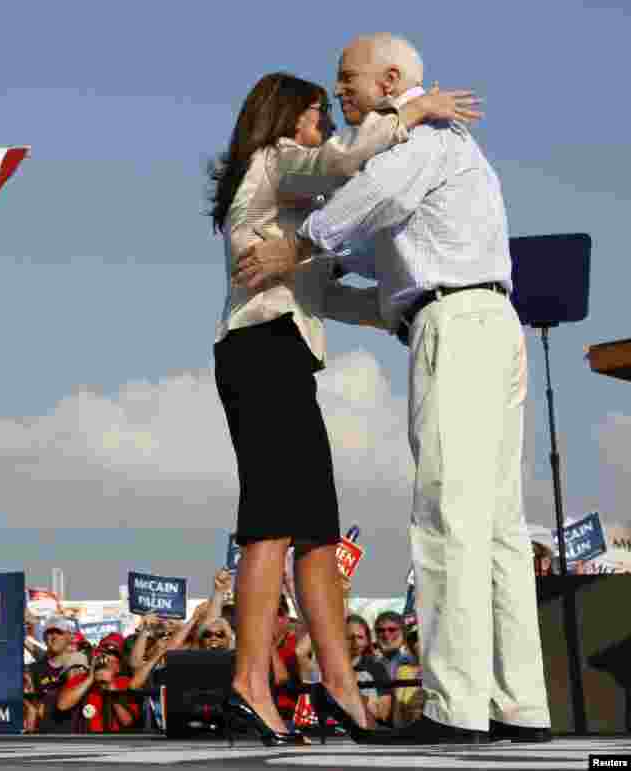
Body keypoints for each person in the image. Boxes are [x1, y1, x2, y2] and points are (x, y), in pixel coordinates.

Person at [235, 33, 551, 746]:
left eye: (347, 79)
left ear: (392, 79)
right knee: (497, 523)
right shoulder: (442, 144)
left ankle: (453, 705)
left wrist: (298, 244)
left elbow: (369, 197)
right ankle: (517, 703)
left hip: (456, 325)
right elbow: (386, 287)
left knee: (447, 514)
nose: (339, 90)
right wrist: (319, 282)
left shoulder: (422, 140)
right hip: (486, 319)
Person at [210, 70, 477, 747]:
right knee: (270, 522)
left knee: (319, 535)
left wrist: (403, 312)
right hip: (259, 350)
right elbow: (345, 162)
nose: (326, 122)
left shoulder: (290, 205)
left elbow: (326, 294)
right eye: (316, 111)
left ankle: (341, 689)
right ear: (283, 118)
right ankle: (248, 683)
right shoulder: (273, 163)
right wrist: (411, 111)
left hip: (286, 357)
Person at [346, 615, 392, 724]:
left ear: (367, 640)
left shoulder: (377, 668)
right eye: (349, 637)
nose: (355, 642)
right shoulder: (331, 664)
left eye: (360, 637)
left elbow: (383, 714)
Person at [373, 611, 415, 680]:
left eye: (392, 630)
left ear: (403, 633)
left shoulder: (413, 662)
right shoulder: (371, 664)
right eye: (380, 630)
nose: (386, 634)